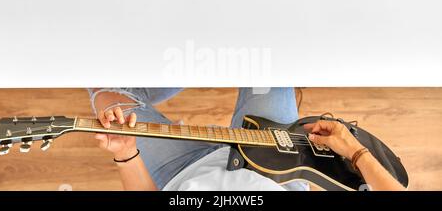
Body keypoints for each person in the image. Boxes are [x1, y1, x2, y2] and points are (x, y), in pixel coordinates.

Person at [88, 88, 405, 191]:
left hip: (179, 173)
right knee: (267, 53)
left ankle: (185, 61)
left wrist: (127, 153)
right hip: (280, 166)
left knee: (105, 90)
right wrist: (355, 151)